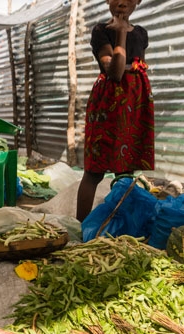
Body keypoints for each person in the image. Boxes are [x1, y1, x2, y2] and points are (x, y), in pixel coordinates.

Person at [76, 0, 154, 222]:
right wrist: (120, 33)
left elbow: (141, 69)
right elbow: (116, 72)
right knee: (94, 171)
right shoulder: (101, 30)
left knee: (126, 172)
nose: (122, 2)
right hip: (107, 106)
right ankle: (82, 228)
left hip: (134, 106)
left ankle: (123, 225)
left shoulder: (141, 33)